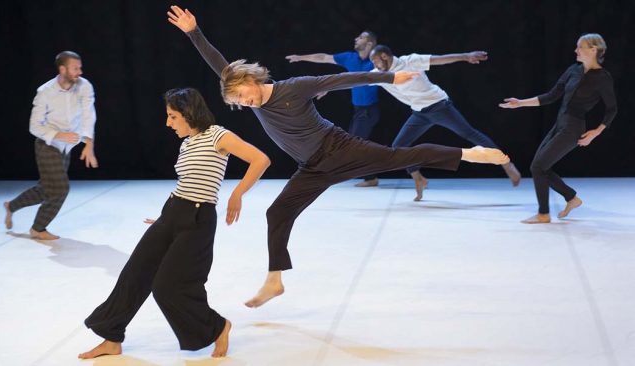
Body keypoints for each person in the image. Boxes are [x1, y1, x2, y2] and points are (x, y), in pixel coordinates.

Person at [168, 5, 509, 308]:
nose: (245, 103)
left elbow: (346, 78)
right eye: (238, 103)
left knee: (399, 156)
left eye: (243, 95)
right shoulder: (245, 94)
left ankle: (469, 152)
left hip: (339, 148)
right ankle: (275, 280)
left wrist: (388, 76)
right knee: (277, 212)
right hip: (312, 167)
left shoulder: (295, 88)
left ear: (250, 79)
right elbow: (219, 65)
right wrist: (193, 33)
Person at [78, 88, 270, 359]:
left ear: (189, 113)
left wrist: (237, 194)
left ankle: (218, 327)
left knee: (167, 286)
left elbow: (260, 159)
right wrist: (165, 217)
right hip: (172, 212)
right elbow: (187, 184)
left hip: (198, 219)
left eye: (173, 116)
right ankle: (111, 337)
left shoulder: (218, 135)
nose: (168, 123)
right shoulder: (187, 142)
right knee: (134, 275)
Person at [369, 45, 521, 201]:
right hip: (420, 113)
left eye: (375, 60)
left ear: (385, 56)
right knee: (398, 147)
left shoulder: (410, 61)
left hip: (439, 106)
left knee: (469, 133)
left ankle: (506, 164)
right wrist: (341, 81)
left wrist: (466, 55)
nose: (374, 65)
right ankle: (418, 178)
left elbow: (439, 59)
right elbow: (357, 78)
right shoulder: (378, 75)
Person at [499, 33, 617, 224]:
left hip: (573, 128)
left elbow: (612, 109)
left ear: (593, 50)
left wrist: (596, 132)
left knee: (538, 167)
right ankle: (571, 198)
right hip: (560, 124)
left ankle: (544, 214)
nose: (576, 50)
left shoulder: (603, 78)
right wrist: (520, 103)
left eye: (580, 47)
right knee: (539, 167)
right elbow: (551, 95)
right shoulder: (573, 70)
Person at [3, 51, 98, 240]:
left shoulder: (84, 86)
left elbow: (89, 114)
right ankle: (38, 228)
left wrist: (89, 144)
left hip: (67, 146)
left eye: (80, 67)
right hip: (48, 144)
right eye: (75, 68)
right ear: (62, 69)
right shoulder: (45, 91)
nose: (79, 71)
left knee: (47, 190)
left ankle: (11, 206)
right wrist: (59, 135)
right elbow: (34, 125)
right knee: (61, 189)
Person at [286, 30, 381, 187]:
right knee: (358, 143)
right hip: (359, 110)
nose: (356, 39)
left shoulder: (376, 60)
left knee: (355, 143)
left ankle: (363, 175)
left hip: (369, 110)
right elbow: (324, 57)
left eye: (361, 37)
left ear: (370, 44)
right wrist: (301, 57)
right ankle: (371, 176)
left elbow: (373, 77)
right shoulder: (349, 57)